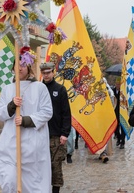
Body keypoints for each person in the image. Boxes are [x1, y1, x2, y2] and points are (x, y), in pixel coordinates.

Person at [0, 61, 53, 192]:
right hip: (10, 144)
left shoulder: (40, 88)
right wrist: (11, 105)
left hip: (33, 144)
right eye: (17, 65)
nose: (19, 68)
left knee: (34, 185)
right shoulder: (8, 89)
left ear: (28, 67)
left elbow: (47, 111)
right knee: (9, 179)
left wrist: (26, 120)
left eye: (22, 65)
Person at [40, 62, 72, 193]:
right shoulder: (38, 89)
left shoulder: (60, 90)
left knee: (56, 167)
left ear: (53, 72)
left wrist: (65, 133)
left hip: (56, 136)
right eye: (44, 73)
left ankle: (55, 191)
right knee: (42, 167)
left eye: (48, 72)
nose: (46, 75)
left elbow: (66, 113)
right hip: (41, 134)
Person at [113, 78, 125, 149]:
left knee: (123, 127)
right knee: (115, 127)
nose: (118, 85)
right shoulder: (113, 91)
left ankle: (122, 142)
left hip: (122, 111)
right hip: (115, 112)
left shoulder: (123, 91)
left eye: (119, 84)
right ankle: (119, 138)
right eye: (117, 84)